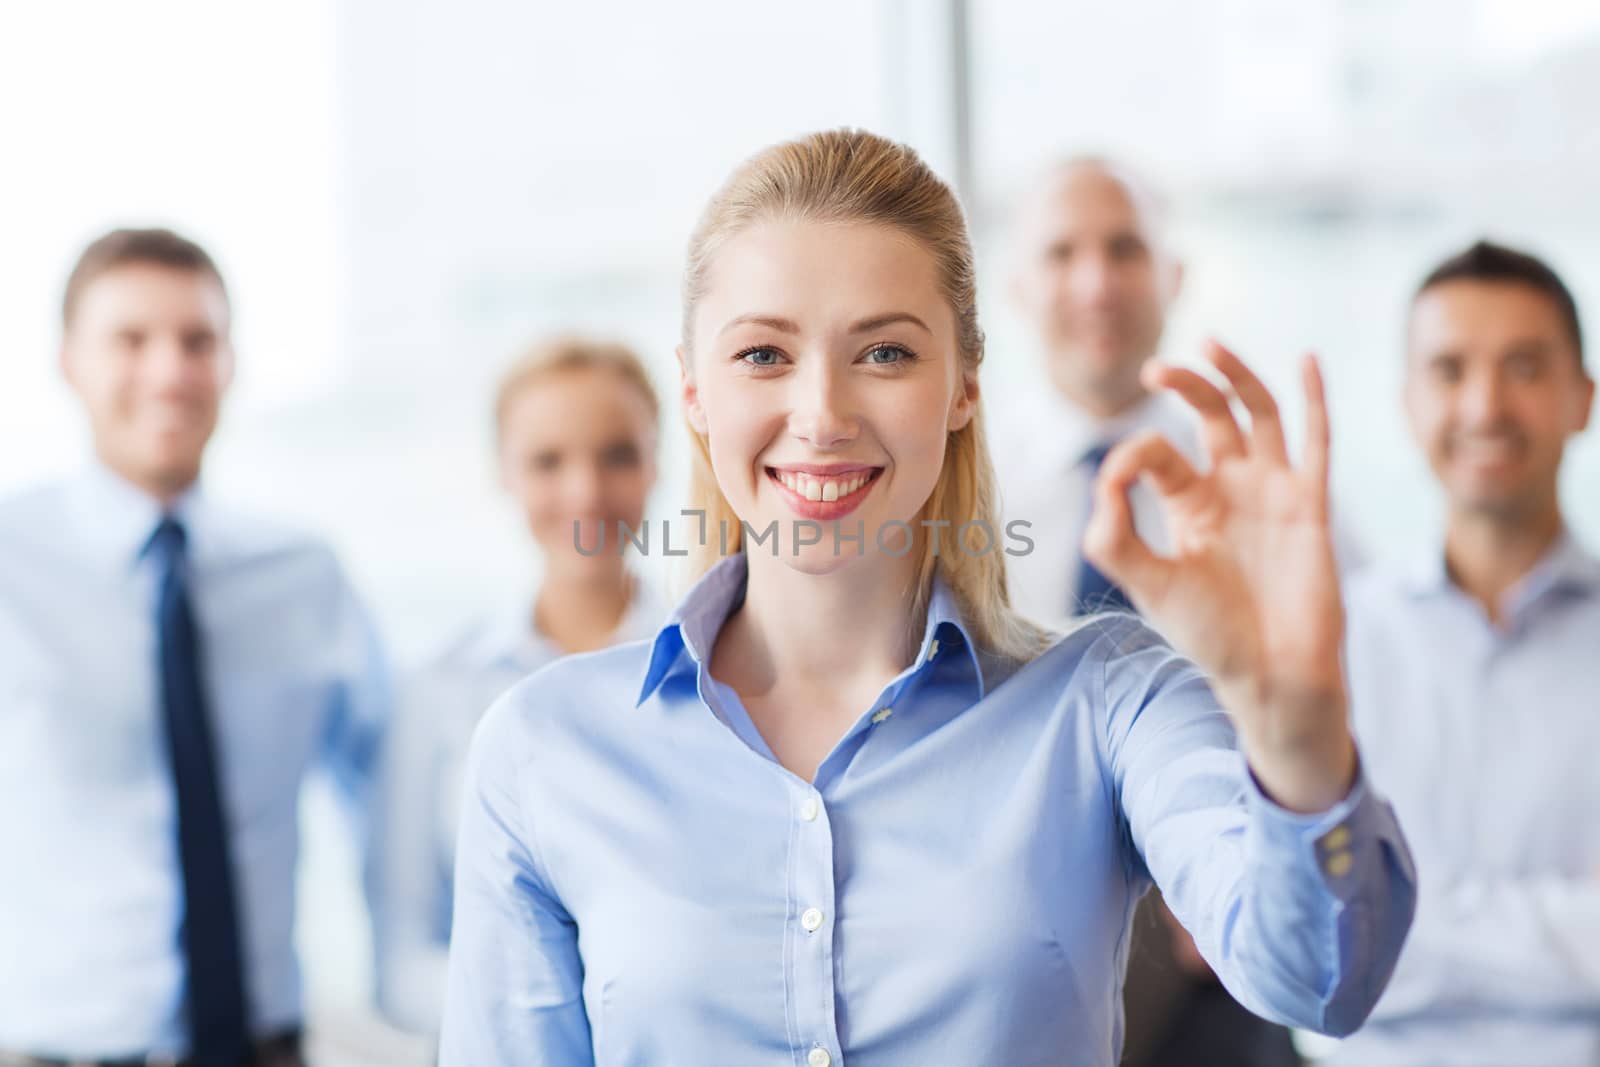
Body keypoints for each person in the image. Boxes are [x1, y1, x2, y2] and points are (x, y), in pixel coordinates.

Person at [438, 129, 1417, 1066]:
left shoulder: (1105, 699)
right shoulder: (543, 747)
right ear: (694, 392)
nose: (821, 414)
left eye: (886, 352)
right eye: (763, 354)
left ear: (962, 385)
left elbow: (1317, 982)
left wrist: (1290, 722)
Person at [0, 229, 390, 1067]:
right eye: (131, 340)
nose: (170, 370)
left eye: (197, 340)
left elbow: (390, 796)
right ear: (70, 361)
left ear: (231, 362)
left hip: (268, 1049)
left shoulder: (305, 575)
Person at [998, 156, 1309, 1066]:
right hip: (1015, 949)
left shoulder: (1260, 488)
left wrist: (1255, 853)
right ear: (1017, 286)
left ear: (1174, 275)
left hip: (1219, 954)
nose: (1095, 282)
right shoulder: (951, 499)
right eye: (1062, 253)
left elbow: (1342, 708)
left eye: (1125, 248)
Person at [1327, 241, 1599, 1066]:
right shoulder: (1333, 643)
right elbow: (1311, 945)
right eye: (1449, 369)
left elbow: (1354, 938)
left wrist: (1396, 927)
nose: (1485, 405)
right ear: (1409, 402)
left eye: (1523, 366)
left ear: (1582, 398)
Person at [373, 336, 668, 1038]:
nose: (585, 491)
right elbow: (401, 957)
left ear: (658, 463)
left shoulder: (723, 670)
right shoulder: (439, 688)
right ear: (502, 473)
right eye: (547, 460)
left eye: (618, 454)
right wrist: (548, 1007)